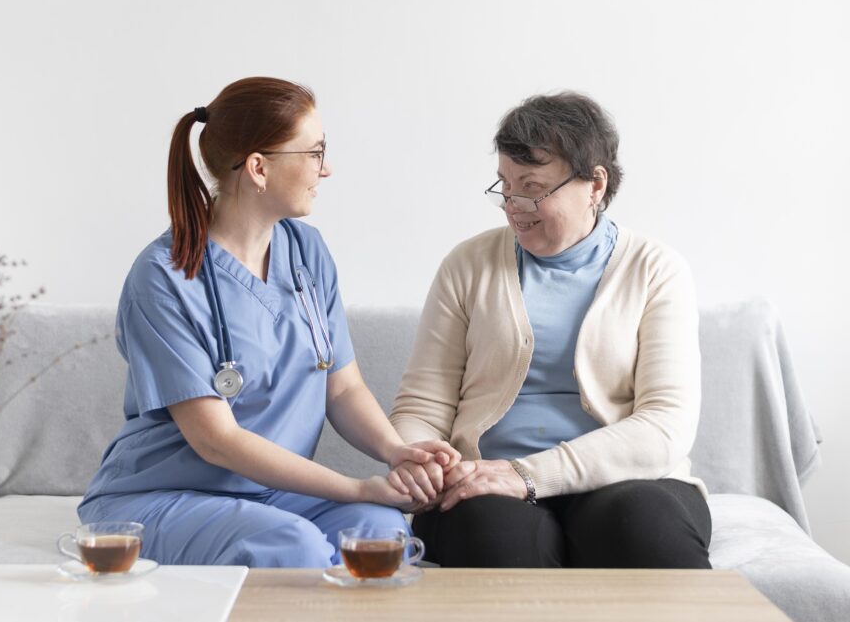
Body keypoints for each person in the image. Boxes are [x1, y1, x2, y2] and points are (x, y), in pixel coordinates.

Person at [78, 76, 458, 568]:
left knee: (380, 533)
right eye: (315, 153)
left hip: (273, 494)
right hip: (167, 493)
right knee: (292, 548)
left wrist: (395, 452)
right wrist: (356, 486)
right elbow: (218, 440)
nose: (327, 169)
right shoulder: (163, 278)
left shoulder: (306, 252)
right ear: (258, 167)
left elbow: (341, 389)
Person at [388, 92, 712, 568]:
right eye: (505, 185)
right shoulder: (467, 265)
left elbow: (665, 426)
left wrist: (526, 474)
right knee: (494, 536)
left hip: (625, 484)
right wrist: (421, 458)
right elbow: (423, 405)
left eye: (533, 187)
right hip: (485, 488)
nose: (514, 205)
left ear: (595, 184)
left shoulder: (656, 270)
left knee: (644, 527)